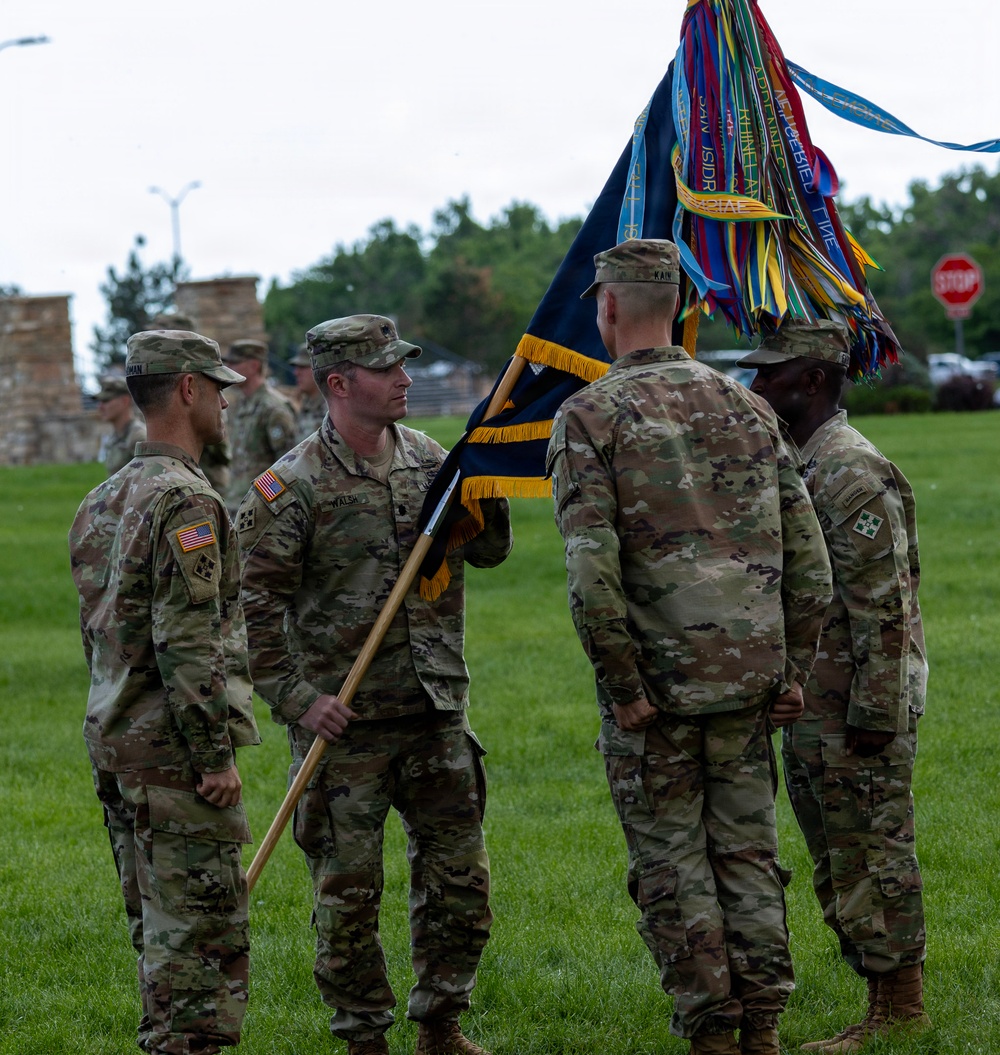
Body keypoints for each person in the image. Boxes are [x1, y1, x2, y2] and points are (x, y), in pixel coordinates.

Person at [545, 240, 833, 1055]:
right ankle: (765, 1025)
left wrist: (621, 679)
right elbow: (810, 561)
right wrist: (794, 669)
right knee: (747, 851)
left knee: (674, 862)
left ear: (606, 308)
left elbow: (590, 566)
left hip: (659, 691)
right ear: (676, 307)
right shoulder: (749, 409)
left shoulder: (590, 416)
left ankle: (713, 1029)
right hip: (748, 681)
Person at [237, 314, 513, 1055]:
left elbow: (488, 554)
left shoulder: (434, 462)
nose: (404, 379)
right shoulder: (290, 486)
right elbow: (252, 608)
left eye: (403, 365)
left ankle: (441, 1023)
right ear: (338, 383)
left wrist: (490, 479)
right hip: (344, 727)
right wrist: (299, 698)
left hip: (432, 710)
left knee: (460, 884)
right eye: (386, 368)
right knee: (348, 899)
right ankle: (363, 1037)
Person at [738, 321, 930, 1053]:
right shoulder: (805, 460)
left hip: (857, 701)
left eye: (771, 374)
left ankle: (900, 1009)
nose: (758, 386)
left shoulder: (849, 469)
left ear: (811, 382)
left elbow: (884, 603)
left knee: (872, 851)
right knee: (839, 852)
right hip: (820, 701)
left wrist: (874, 710)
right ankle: (883, 998)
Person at [68, 329, 260, 1055]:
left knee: (159, 939)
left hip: (117, 745)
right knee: (200, 960)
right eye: (216, 388)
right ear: (187, 390)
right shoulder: (185, 500)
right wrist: (214, 755)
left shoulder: (102, 498)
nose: (223, 402)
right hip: (176, 763)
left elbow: (97, 635)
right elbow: (189, 643)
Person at [150, 313, 233, 493]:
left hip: (207, 482)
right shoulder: (158, 385)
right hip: (169, 480)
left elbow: (223, 453)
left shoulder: (204, 393)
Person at [223, 337, 297, 512]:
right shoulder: (242, 405)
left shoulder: (273, 407)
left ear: (254, 366)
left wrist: (266, 503)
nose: (229, 369)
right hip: (237, 502)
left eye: (235, 363)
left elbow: (287, 466)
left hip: (263, 507)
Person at [95, 373, 146, 475]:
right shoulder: (114, 437)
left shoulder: (139, 437)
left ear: (125, 401)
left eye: (106, 400)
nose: (100, 407)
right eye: (100, 401)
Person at [290, 342, 327, 440]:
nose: (296, 373)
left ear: (318, 368)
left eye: (302, 367)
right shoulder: (305, 405)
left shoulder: (332, 408)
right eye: (296, 367)